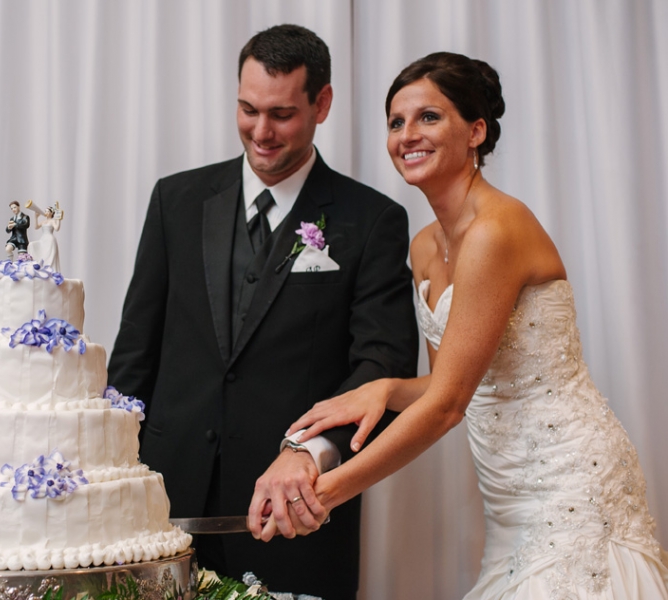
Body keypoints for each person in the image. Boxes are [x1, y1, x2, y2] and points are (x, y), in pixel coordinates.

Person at [248, 51, 668, 598]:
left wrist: (323, 494)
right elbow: (450, 381)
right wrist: (384, 387)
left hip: (572, 487)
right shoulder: (424, 245)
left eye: (429, 117)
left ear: (475, 131)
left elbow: (447, 406)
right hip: (507, 500)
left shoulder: (497, 230)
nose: (406, 135)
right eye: (396, 122)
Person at [108, 24, 419, 598]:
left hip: (295, 520)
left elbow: (382, 368)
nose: (261, 131)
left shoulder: (371, 221)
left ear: (322, 104)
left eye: (281, 114)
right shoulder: (175, 201)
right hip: (160, 510)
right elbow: (135, 353)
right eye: (247, 109)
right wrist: (109, 474)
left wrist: (309, 454)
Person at [27, 205, 62, 273]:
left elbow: (57, 228)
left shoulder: (52, 221)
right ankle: (34, 265)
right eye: (45, 211)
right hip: (43, 240)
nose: (46, 212)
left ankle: (49, 270)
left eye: (47, 211)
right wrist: (36, 217)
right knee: (31, 245)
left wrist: (58, 219)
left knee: (49, 256)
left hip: (50, 240)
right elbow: (36, 227)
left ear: (51, 213)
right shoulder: (43, 221)